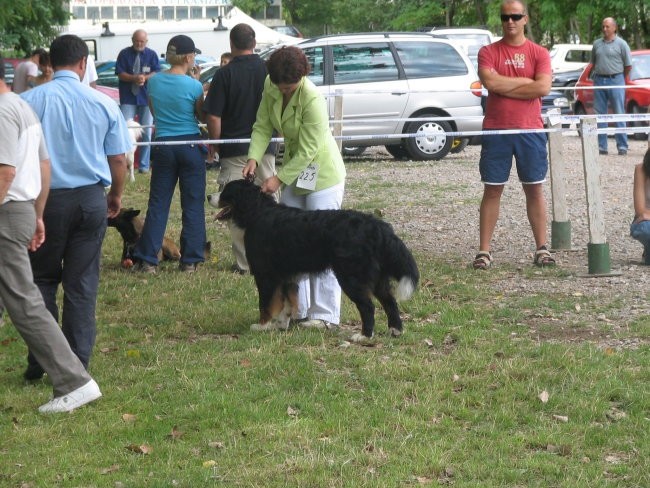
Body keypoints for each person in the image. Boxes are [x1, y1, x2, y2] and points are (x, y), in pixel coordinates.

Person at [21, 34, 131, 381]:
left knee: (41, 281)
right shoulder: (103, 103)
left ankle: (41, 360)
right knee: (82, 283)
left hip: (44, 200)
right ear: (84, 63)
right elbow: (118, 159)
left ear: (49, 63)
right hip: (89, 199)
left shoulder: (29, 101)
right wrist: (115, 195)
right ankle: (78, 362)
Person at [0, 56, 102, 413]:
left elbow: (5, 172)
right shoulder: (21, 106)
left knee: (24, 301)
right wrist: (37, 214)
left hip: (7, 212)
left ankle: (73, 380)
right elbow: (44, 165)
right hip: (23, 209)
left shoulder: (2, 112)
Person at [243, 46, 346, 331]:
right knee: (290, 243)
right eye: (280, 87)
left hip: (322, 174)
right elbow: (262, 125)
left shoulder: (312, 98)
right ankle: (296, 310)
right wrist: (254, 157)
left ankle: (325, 314)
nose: (284, 92)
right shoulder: (271, 84)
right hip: (294, 174)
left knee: (324, 244)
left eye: (289, 87)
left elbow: (309, 149)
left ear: (302, 77)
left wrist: (278, 178)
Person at [472, 0, 555, 270]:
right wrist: (525, 84)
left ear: (525, 19)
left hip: (530, 129)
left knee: (534, 188)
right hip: (497, 129)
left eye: (516, 16)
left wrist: (506, 86)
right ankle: (484, 251)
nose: (510, 21)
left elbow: (543, 87)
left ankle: (542, 249)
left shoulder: (539, 53)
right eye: (505, 17)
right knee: (492, 189)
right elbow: (490, 82)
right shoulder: (488, 51)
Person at [204, 24, 277, 275]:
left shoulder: (224, 75)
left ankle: (245, 264)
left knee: (233, 206)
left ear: (231, 44)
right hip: (266, 147)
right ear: (254, 42)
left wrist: (214, 144)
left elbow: (213, 117)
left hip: (234, 148)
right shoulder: (268, 71)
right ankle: (272, 256)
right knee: (269, 202)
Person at [131, 35, 207, 274]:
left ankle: (147, 259)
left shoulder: (154, 82)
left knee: (158, 204)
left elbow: (154, 111)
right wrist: (197, 83)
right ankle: (190, 260)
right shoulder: (194, 86)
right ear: (187, 57)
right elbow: (201, 117)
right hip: (190, 145)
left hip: (163, 144)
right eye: (193, 54)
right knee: (192, 204)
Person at [116, 29, 160, 173]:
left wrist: (144, 78)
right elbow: (120, 73)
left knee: (146, 132)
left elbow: (156, 72)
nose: (139, 43)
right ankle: (124, 164)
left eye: (142, 41)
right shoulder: (124, 54)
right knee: (124, 131)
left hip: (146, 97)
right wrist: (133, 78)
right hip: (128, 98)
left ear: (146, 42)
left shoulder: (152, 55)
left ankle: (144, 166)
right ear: (132, 40)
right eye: (137, 41)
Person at [591, 17, 632, 156]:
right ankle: (602, 146)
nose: (604, 29)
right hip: (599, 81)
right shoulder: (597, 44)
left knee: (619, 113)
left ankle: (622, 146)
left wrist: (619, 78)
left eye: (607, 26)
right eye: (603, 26)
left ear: (614, 28)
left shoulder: (622, 44)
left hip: (616, 80)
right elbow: (593, 63)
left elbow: (628, 65)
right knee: (600, 115)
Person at [630, 149, 650, 264]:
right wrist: (645, 214)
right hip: (645, 222)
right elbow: (640, 210)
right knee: (645, 229)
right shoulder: (641, 170)